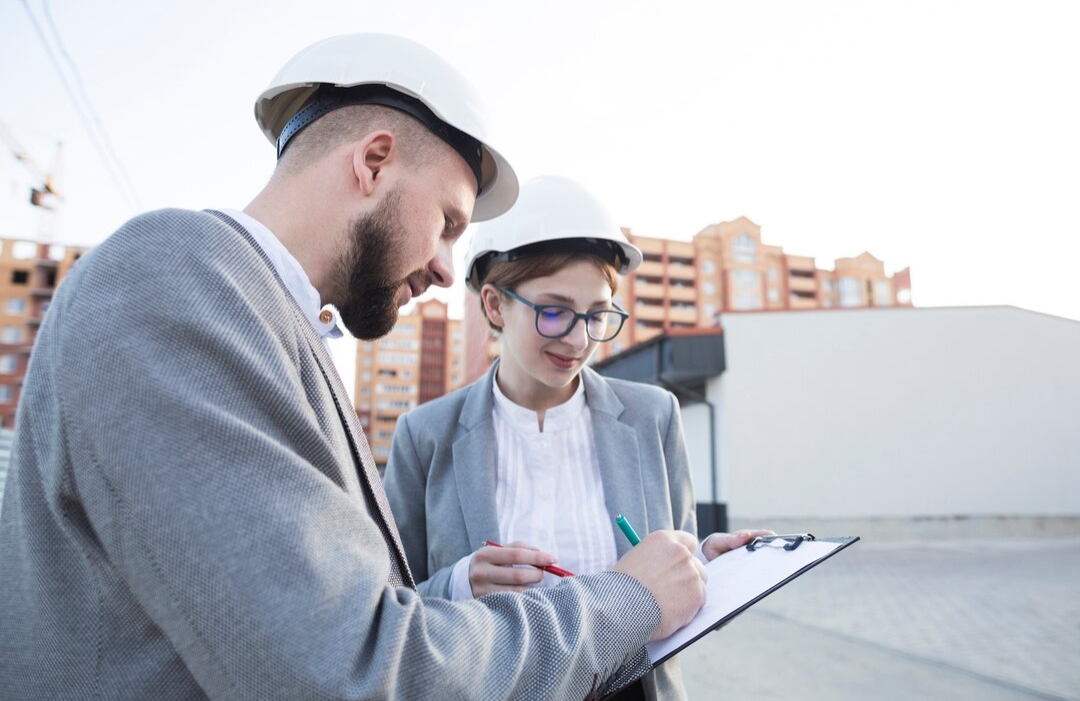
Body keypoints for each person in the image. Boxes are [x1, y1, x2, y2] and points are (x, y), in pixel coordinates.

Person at [0, 34, 709, 701]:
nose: (442, 266)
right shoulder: (171, 282)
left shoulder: (261, 319)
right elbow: (352, 672)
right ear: (373, 162)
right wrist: (627, 596)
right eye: (449, 222)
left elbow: (333, 622)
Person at [383, 176, 773, 701]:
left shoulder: (653, 416)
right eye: (554, 311)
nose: (579, 338)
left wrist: (709, 564)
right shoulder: (425, 436)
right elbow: (387, 613)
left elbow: (675, 567)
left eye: (597, 314)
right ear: (495, 306)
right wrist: (458, 584)